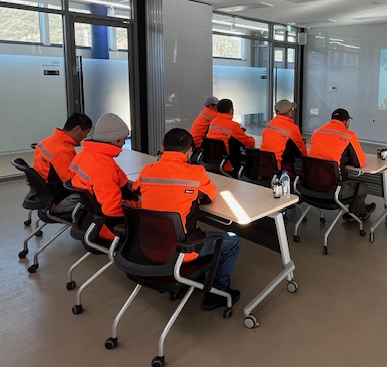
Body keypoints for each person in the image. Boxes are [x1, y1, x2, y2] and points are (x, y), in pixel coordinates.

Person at [132, 128, 241, 311]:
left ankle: (187, 282)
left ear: (162, 148)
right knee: (233, 241)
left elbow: (136, 189)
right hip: (180, 249)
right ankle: (216, 293)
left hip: (148, 245)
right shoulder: (195, 173)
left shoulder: (147, 170)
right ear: (190, 151)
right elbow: (210, 195)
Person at [69, 113, 134, 241]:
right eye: (124, 139)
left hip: (91, 217)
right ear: (115, 140)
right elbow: (113, 209)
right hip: (110, 227)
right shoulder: (103, 166)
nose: (124, 143)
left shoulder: (84, 155)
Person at [308, 108, 376, 221]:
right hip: (332, 190)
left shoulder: (317, 132)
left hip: (310, 186)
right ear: (346, 122)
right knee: (362, 187)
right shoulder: (349, 135)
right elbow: (360, 162)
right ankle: (356, 213)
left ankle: (356, 211)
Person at [33, 112, 93, 213]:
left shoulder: (47, 141)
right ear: (77, 129)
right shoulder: (63, 151)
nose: (85, 137)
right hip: (57, 200)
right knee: (96, 197)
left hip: (43, 194)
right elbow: (72, 183)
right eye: (86, 133)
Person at [205, 98, 255, 176]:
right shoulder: (233, 126)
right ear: (231, 110)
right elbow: (250, 143)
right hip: (228, 163)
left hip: (212, 160)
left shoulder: (213, 122)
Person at [260, 99, 307, 173]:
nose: (293, 111)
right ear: (289, 113)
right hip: (280, 167)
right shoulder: (292, 128)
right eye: (292, 109)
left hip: (264, 165)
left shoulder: (269, 124)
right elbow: (302, 151)